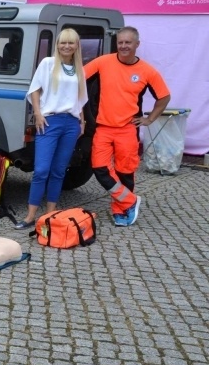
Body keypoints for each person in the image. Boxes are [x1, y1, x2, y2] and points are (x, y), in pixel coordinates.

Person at [84, 26, 170, 227]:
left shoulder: (147, 71)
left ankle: (121, 209)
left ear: (137, 45)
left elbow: (164, 97)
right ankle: (130, 200)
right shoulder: (103, 62)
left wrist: (150, 119)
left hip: (127, 129)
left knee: (125, 172)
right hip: (103, 128)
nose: (123, 46)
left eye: (128, 42)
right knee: (100, 168)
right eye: (120, 42)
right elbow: (78, 77)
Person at [15, 29, 88, 229]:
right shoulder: (48, 64)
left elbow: (80, 99)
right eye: (63, 42)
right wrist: (38, 113)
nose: (66, 46)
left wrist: (81, 122)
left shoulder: (79, 68)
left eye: (71, 43)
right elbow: (35, 89)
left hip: (71, 123)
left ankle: (50, 215)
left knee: (58, 171)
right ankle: (30, 216)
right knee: (41, 170)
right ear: (57, 44)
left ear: (76, 46)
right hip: (50, 121)